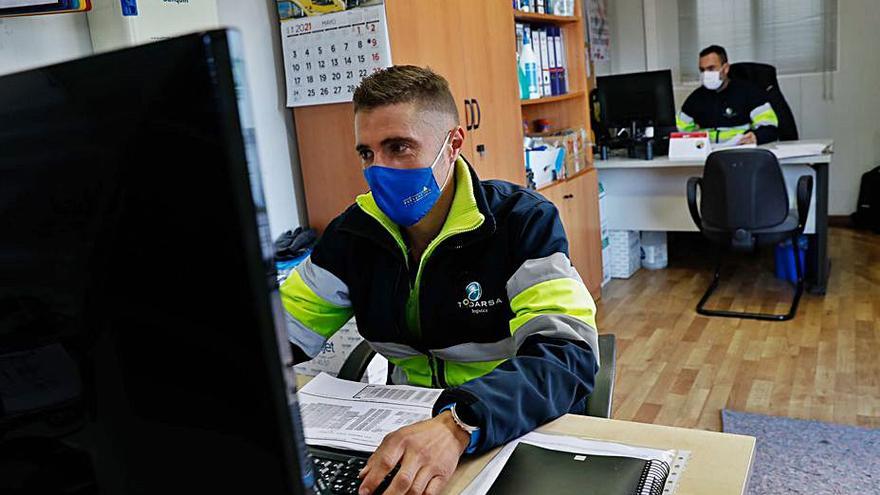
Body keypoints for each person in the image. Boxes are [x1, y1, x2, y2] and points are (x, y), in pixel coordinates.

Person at [281, 65, 599, 495]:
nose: (380, 169)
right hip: (402, 429)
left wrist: (457, 424)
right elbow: (282, 329)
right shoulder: (353, 234)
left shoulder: (522, 222)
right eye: (367, 153)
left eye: (399, 147)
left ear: (453, 144)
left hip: (503, 422)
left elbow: (567, 356)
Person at [677, 45, 779, 145]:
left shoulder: (749, 92)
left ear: (725, 68)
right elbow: (679, 131)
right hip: (708, 155)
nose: (706, 74)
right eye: (702, 70)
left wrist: (756, 137)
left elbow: (770, 128)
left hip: (740, 152)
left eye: (711, 68)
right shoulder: (696, 98)